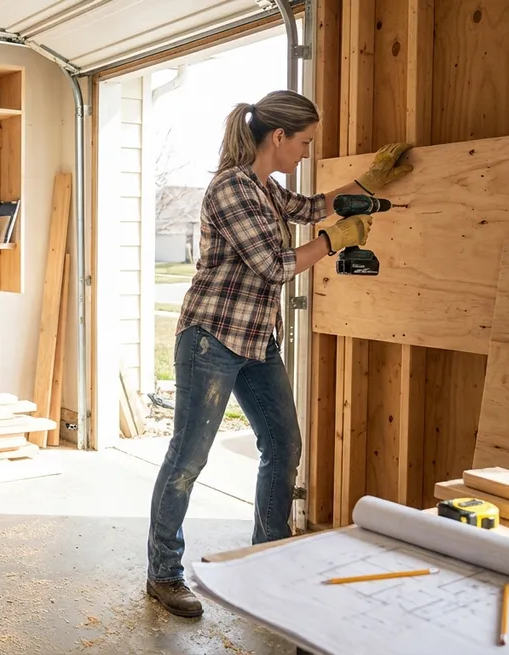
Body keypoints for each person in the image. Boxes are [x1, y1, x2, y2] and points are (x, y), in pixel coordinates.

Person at [145, 89, 413, 618]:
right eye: (305, 142)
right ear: (279, 136)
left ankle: (266, 558)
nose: (308, 152)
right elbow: (274, 265)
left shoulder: (266, 188)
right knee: (188, 458)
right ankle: (163, 573)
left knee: (283, 444)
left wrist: (369, 183)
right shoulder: (231, 188)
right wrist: (334, 241)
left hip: (255, 338)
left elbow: (312, 207)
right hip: (211, 337)